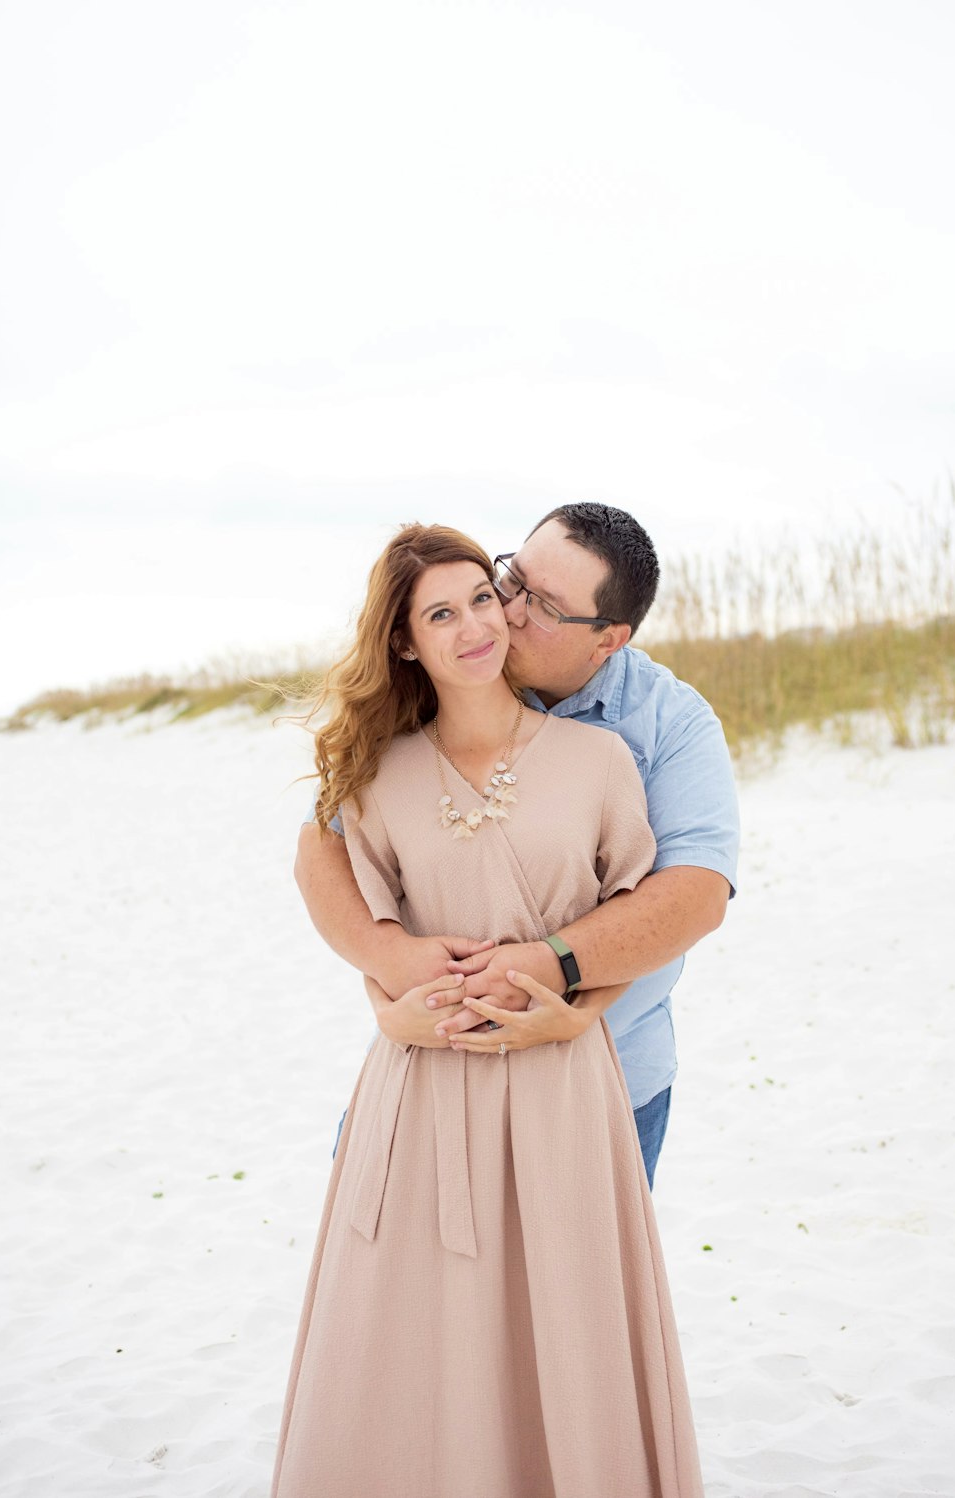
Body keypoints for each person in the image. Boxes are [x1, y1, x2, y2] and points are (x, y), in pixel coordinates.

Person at [271, 523, 703, 1497]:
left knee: (565, 1324)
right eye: (444, 610)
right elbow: (344, 892)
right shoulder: (374, 772)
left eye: (483, 599)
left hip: (563, 1083)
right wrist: (387, 997)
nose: (483, 621)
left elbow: (652, 907)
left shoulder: (602, 758)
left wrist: (575, 1008)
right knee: (415, 1328)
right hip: (421, 1081)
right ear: (402, 640)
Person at [295, 503, 739, 1186]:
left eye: (545, 606)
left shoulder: (667, 725)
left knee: (577, 1285)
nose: (507, 611)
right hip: (436, 1061)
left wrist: (551, 967)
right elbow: (323, 852)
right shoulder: (447, 675)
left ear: (608, 639)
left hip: (608, 1067)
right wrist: (391, 962)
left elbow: (694, 896)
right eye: (513, 579)